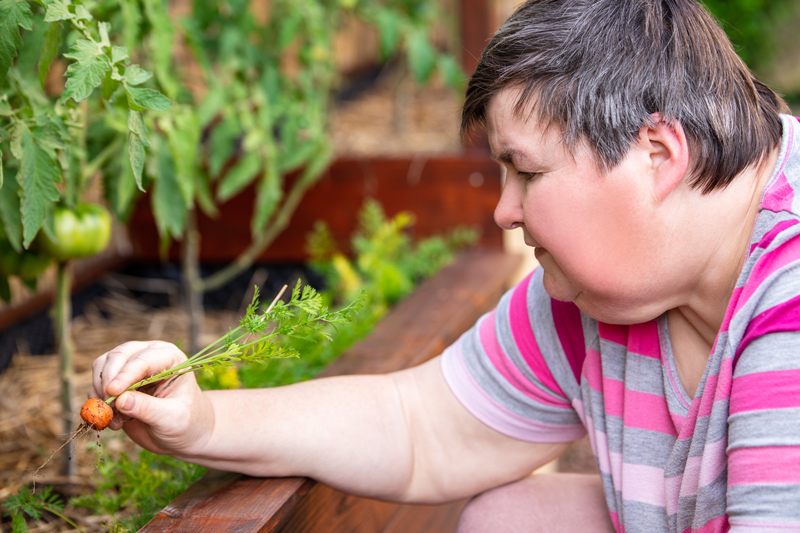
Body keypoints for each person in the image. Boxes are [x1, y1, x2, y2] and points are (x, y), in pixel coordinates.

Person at [90, 0, 800, 531]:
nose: (504, 211)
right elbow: (421, 422)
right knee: (514, 517)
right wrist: (204, 419)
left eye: (525, 172)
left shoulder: (788, 299)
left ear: (657, 155)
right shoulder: (611, 287)